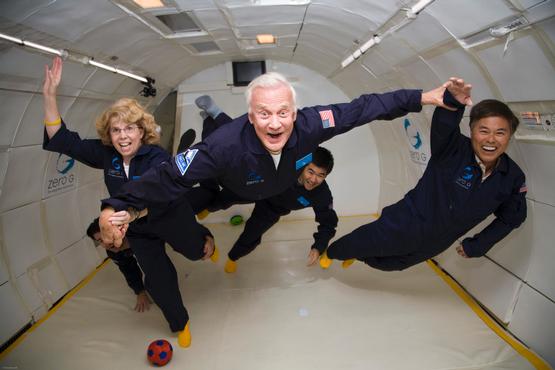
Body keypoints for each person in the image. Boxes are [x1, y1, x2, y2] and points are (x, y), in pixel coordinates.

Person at [99, 72, 459, 251]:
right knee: (197, 197)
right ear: (251, 116)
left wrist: (423, 97)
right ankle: (212, 116)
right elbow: (167, 176)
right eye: (264, 113)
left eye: (283, 112)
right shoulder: (223, 147)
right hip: (230, 183)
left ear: (295, 111)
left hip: (274, 187)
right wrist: (120, 205)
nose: (275, 122)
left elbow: (362, 109)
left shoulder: (311, 124)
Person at [41, 56, 216, 348]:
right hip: (139, 231)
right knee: (159, 279)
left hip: (169, 216)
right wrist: (49, 95)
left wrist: (129, 214)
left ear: (141, 131)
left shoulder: (156, 157)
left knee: (198, 251)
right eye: (116, 130)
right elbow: (62, 140)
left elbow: (158, 193)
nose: (123, 136)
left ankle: (204, 236)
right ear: (109, 135)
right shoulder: (107, 155)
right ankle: (180, 322)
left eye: (129, 129)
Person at [324, 78, 527, 271]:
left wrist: (478, 245)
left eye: (500, 132)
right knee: (359, 243)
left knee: (392, 265)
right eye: (483, 131)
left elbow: (511, 218)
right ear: (472, 130)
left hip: (436, 242)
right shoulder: (453, 148)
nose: (491, 139)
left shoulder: (512, 178)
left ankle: (359, 255)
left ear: (510, 135)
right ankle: (331, 253)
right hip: (404, 222)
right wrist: (453, 101)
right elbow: (444, 125)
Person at [224, 146, 338, 273]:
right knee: (227, 194)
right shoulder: (290, 163)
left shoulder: (321, 195)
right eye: (310, 172)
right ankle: (207, 206)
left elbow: (328, 224)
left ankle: (232, 257)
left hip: (272, 208)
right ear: (303, 166)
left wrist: (318, 247)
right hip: (261, 187)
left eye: (320, 175)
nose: (313, 179)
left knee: (251, 233)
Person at [86, 218, 151, 312]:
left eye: (107, 236)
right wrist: (140, 291)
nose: (106, 243)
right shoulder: (113, 251)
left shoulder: (139, 232)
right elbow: (128, 270)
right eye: (100, 240)